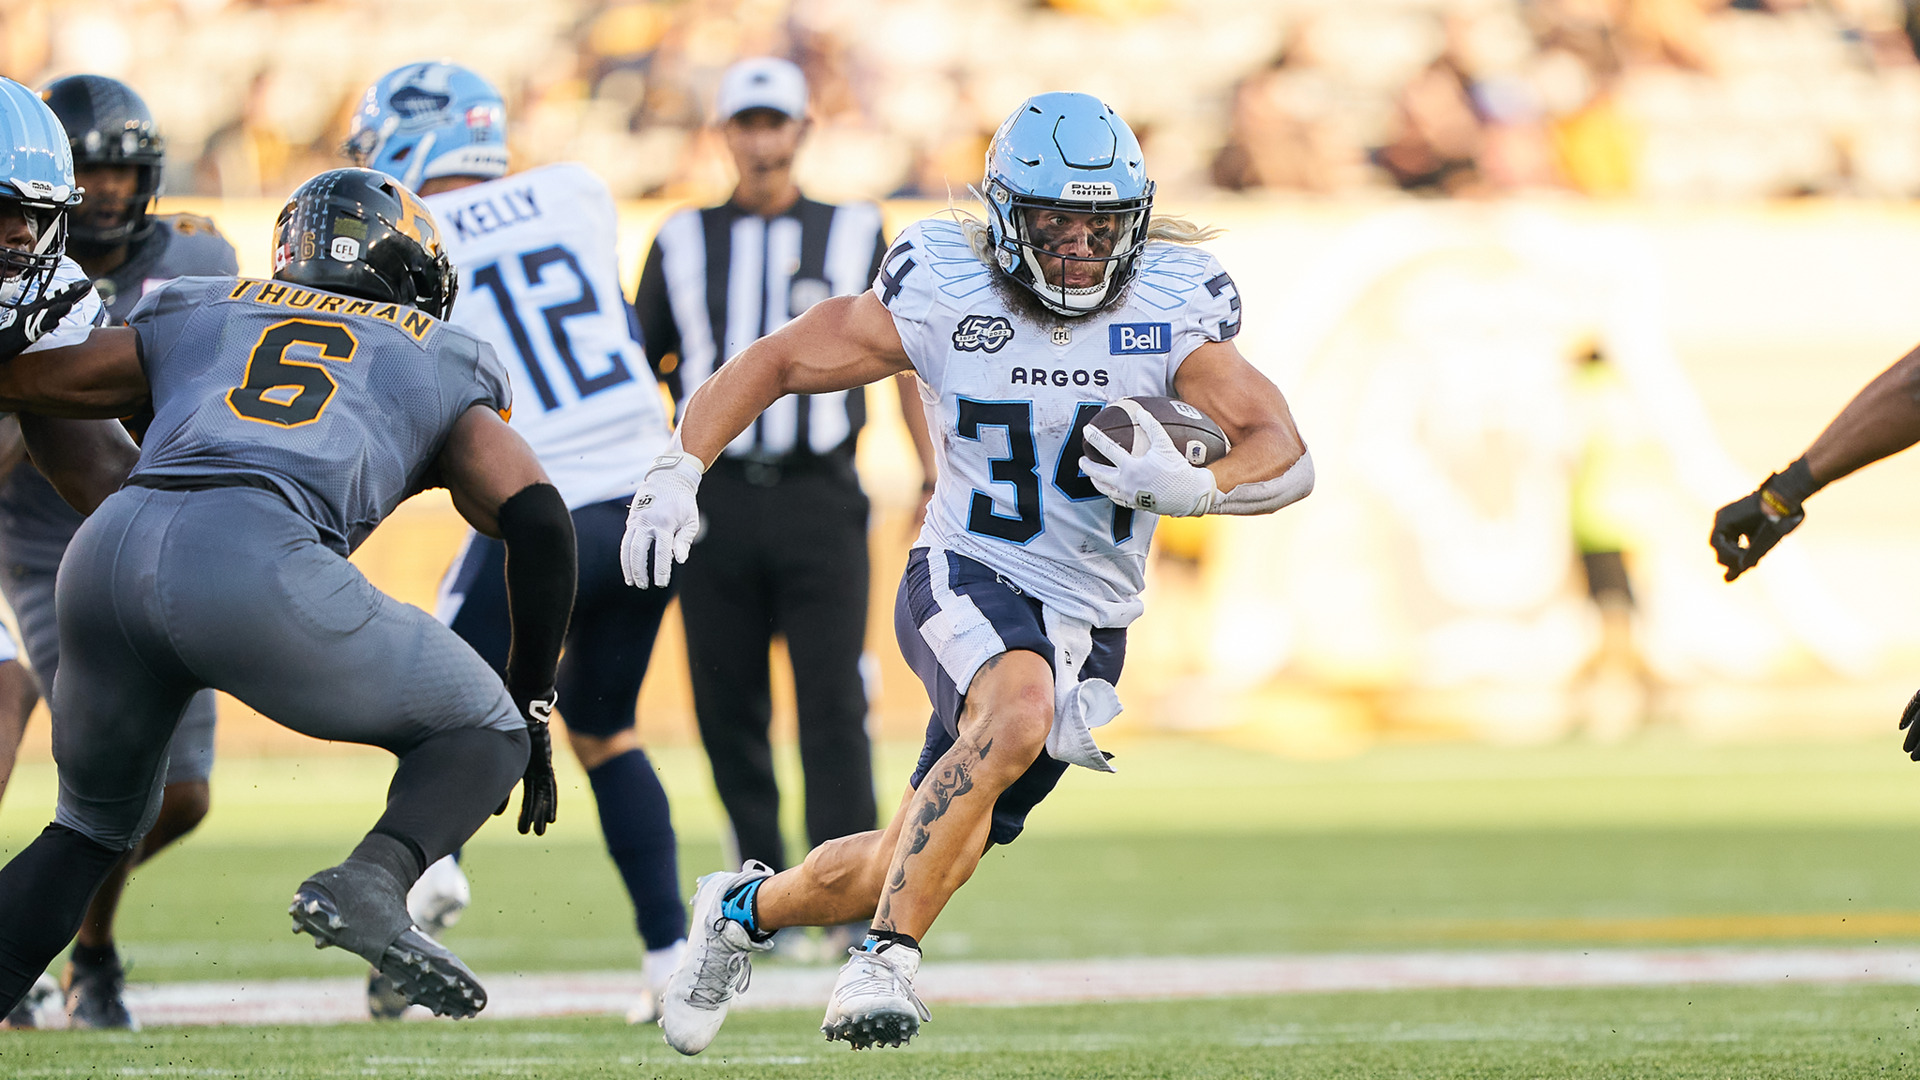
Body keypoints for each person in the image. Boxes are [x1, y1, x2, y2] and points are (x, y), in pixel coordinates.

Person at [622, 91, 1314, 1053]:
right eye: (1055, 219)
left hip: (1092, 614)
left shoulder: (1170, 303)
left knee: (899, 852)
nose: (1079, 244)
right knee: (1018, 711)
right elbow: (778, 360)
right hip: (968, 565)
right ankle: (885, 962)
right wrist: (679, 466)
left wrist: (1197, 488)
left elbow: (1285, 451)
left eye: (1101, 221)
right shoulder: (949, 286)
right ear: (1003, 216)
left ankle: (739, 911)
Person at [0, 164, 575, 1024]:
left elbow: (38, 381)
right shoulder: (434, 349)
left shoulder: (205, 305)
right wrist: (531, 706)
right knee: (482, 727)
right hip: (254, 558)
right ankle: (373, 884)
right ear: (416, 280)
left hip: (107, 552)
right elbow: (538, 519)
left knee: (88, 832)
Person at [344, 61, 686, 1022]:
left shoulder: (418, 239)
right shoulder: (576, 191)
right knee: (606, 730)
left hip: (551, 511)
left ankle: (432, 868)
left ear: (421, 136)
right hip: (654, 511)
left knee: (439, 716)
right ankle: (669, 960)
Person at [632, 56, 919, 935]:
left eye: (775, 122)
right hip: (717, 504)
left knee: (835, 697)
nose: (761, 139)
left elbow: (908, 355)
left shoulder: (858, 228)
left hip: (821, 496)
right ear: (726, 133)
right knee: (728, 701)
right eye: (746, 123)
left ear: (801, 130)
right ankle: (758, 885)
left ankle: (841, 899)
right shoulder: (680, 238)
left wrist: (933, 467)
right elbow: (647, 366)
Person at [0, 74, 241, 1031]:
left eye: (34, 218)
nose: (26, 239)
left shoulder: (52, 282)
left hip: (77, 542)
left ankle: (61, 945)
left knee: (165, 788)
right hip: (24, 544)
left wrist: (210, 557)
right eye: (3, 216)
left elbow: (97, 466)